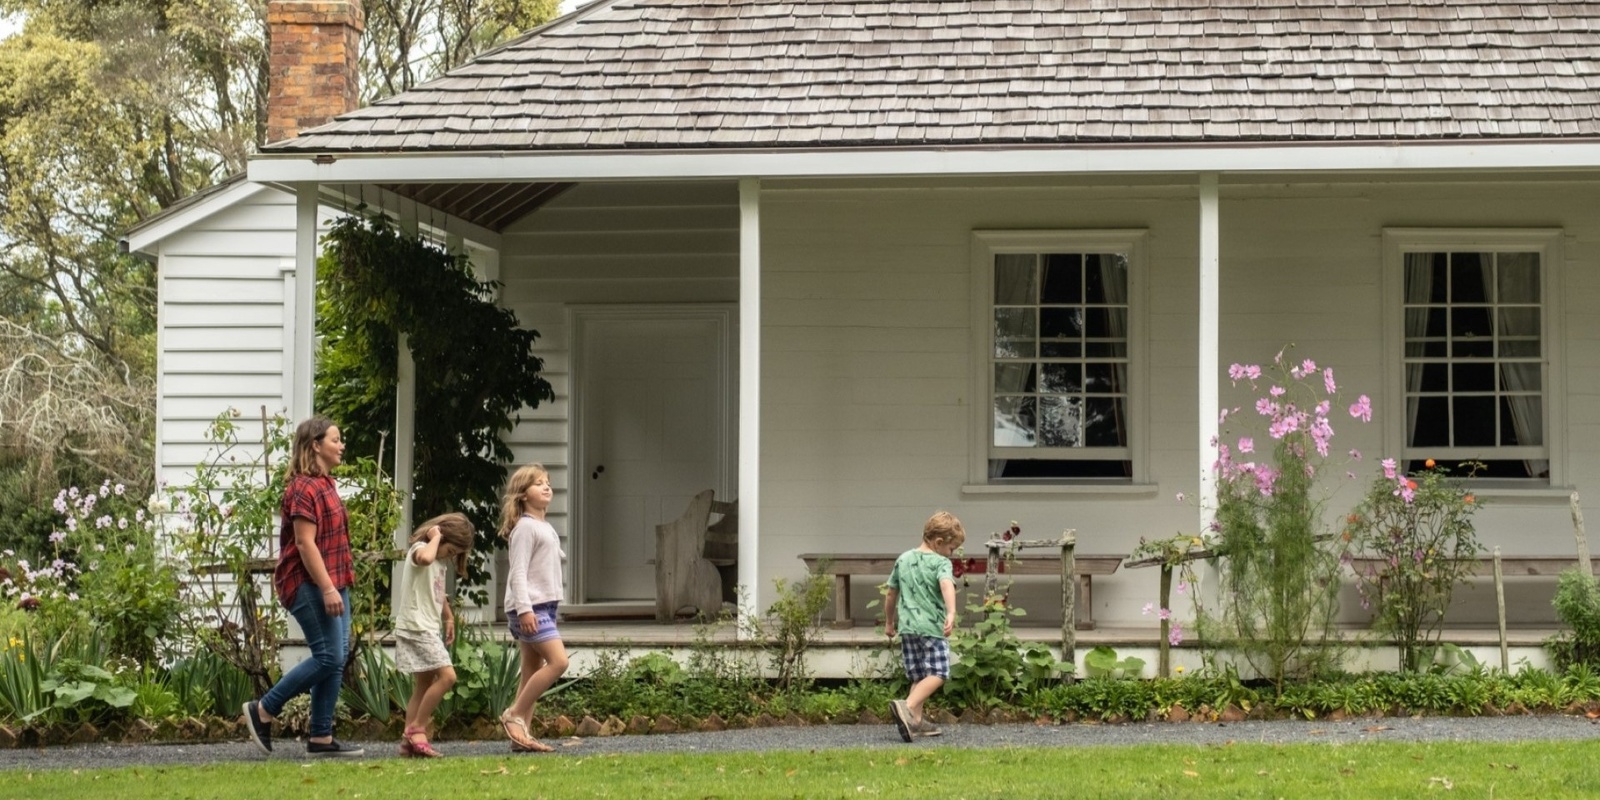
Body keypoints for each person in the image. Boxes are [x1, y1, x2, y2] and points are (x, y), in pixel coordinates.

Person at [243, 417, 365, 757]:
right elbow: (305, 543)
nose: (342, 446)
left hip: (334, 581)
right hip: (309, 583)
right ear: (315, 445)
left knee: (334, 659)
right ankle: (264, 710)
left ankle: (321, 738)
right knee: (328, 657)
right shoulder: (303, 488)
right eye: (336, 440)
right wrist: (327, 588)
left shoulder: (326, 484)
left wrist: (335, 585)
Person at [497, 464, 569, 753]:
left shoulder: (544, 526)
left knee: (530, 670)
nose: (546, 487)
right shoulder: (525, 528)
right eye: (538, 484)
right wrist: (525, 609)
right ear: (523, 495)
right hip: (530, 608)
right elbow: (518, 573)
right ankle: (514, 714)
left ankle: (521, 737)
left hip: (545, 606)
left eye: (547, 482)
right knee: (559, 662)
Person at [393, 513, 474, 758]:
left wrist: (448, 616)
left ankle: (408, 743)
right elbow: (427, 558)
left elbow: (437, 592)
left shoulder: (438, 561)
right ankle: (417, 729)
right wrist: (435, 537)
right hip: (416, 627)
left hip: (428, 626)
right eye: (451, 550)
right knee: (448, 676)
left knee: (423, 685)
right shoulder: (421, 550)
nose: (450, 557)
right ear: (440, 536)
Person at [883, 510, 965, 743]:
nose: (951, 554)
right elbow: (947, 585)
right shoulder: (940, 562)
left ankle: (915, 723)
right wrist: (951, 612)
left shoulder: (904, 559)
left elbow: (891, 593)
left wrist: (889, 622)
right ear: (939, 543)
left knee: (919, 675)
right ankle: (907, 707)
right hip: (931, 627)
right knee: (938, 673)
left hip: (908, 628)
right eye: (951, 549)